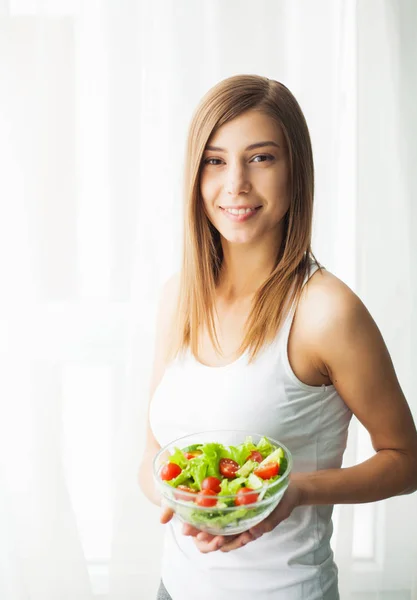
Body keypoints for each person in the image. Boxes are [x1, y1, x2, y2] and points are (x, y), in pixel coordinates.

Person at [138, 74, 417, 600]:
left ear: (296, 172)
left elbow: (406, 459)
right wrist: (187, 498)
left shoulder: (326, 311)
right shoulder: (179, 296)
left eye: (261, 158)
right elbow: (151, 452)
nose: (235, 183)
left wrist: (295, 491)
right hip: (173, 589)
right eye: (215, 161)